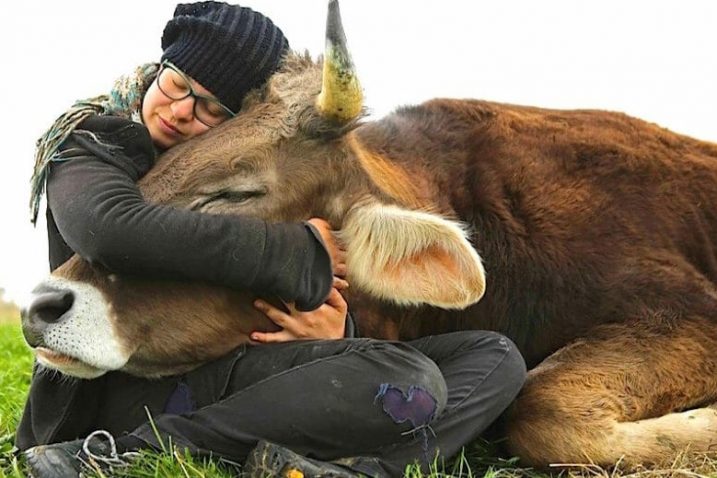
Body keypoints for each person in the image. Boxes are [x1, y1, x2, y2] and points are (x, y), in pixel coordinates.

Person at [19, 2, 527, 477]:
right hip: (119, 385)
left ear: (236, 126)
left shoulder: (211, 165)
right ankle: (121, 454)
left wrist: (335, 332)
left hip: (219, 364)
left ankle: (345, 471)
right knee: (409, 379)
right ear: (157, 70)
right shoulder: (88, 140)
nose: (180, 111)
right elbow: (109, 229)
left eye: (212, 108)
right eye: (176, 83)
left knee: (496, 357)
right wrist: (304, 257)